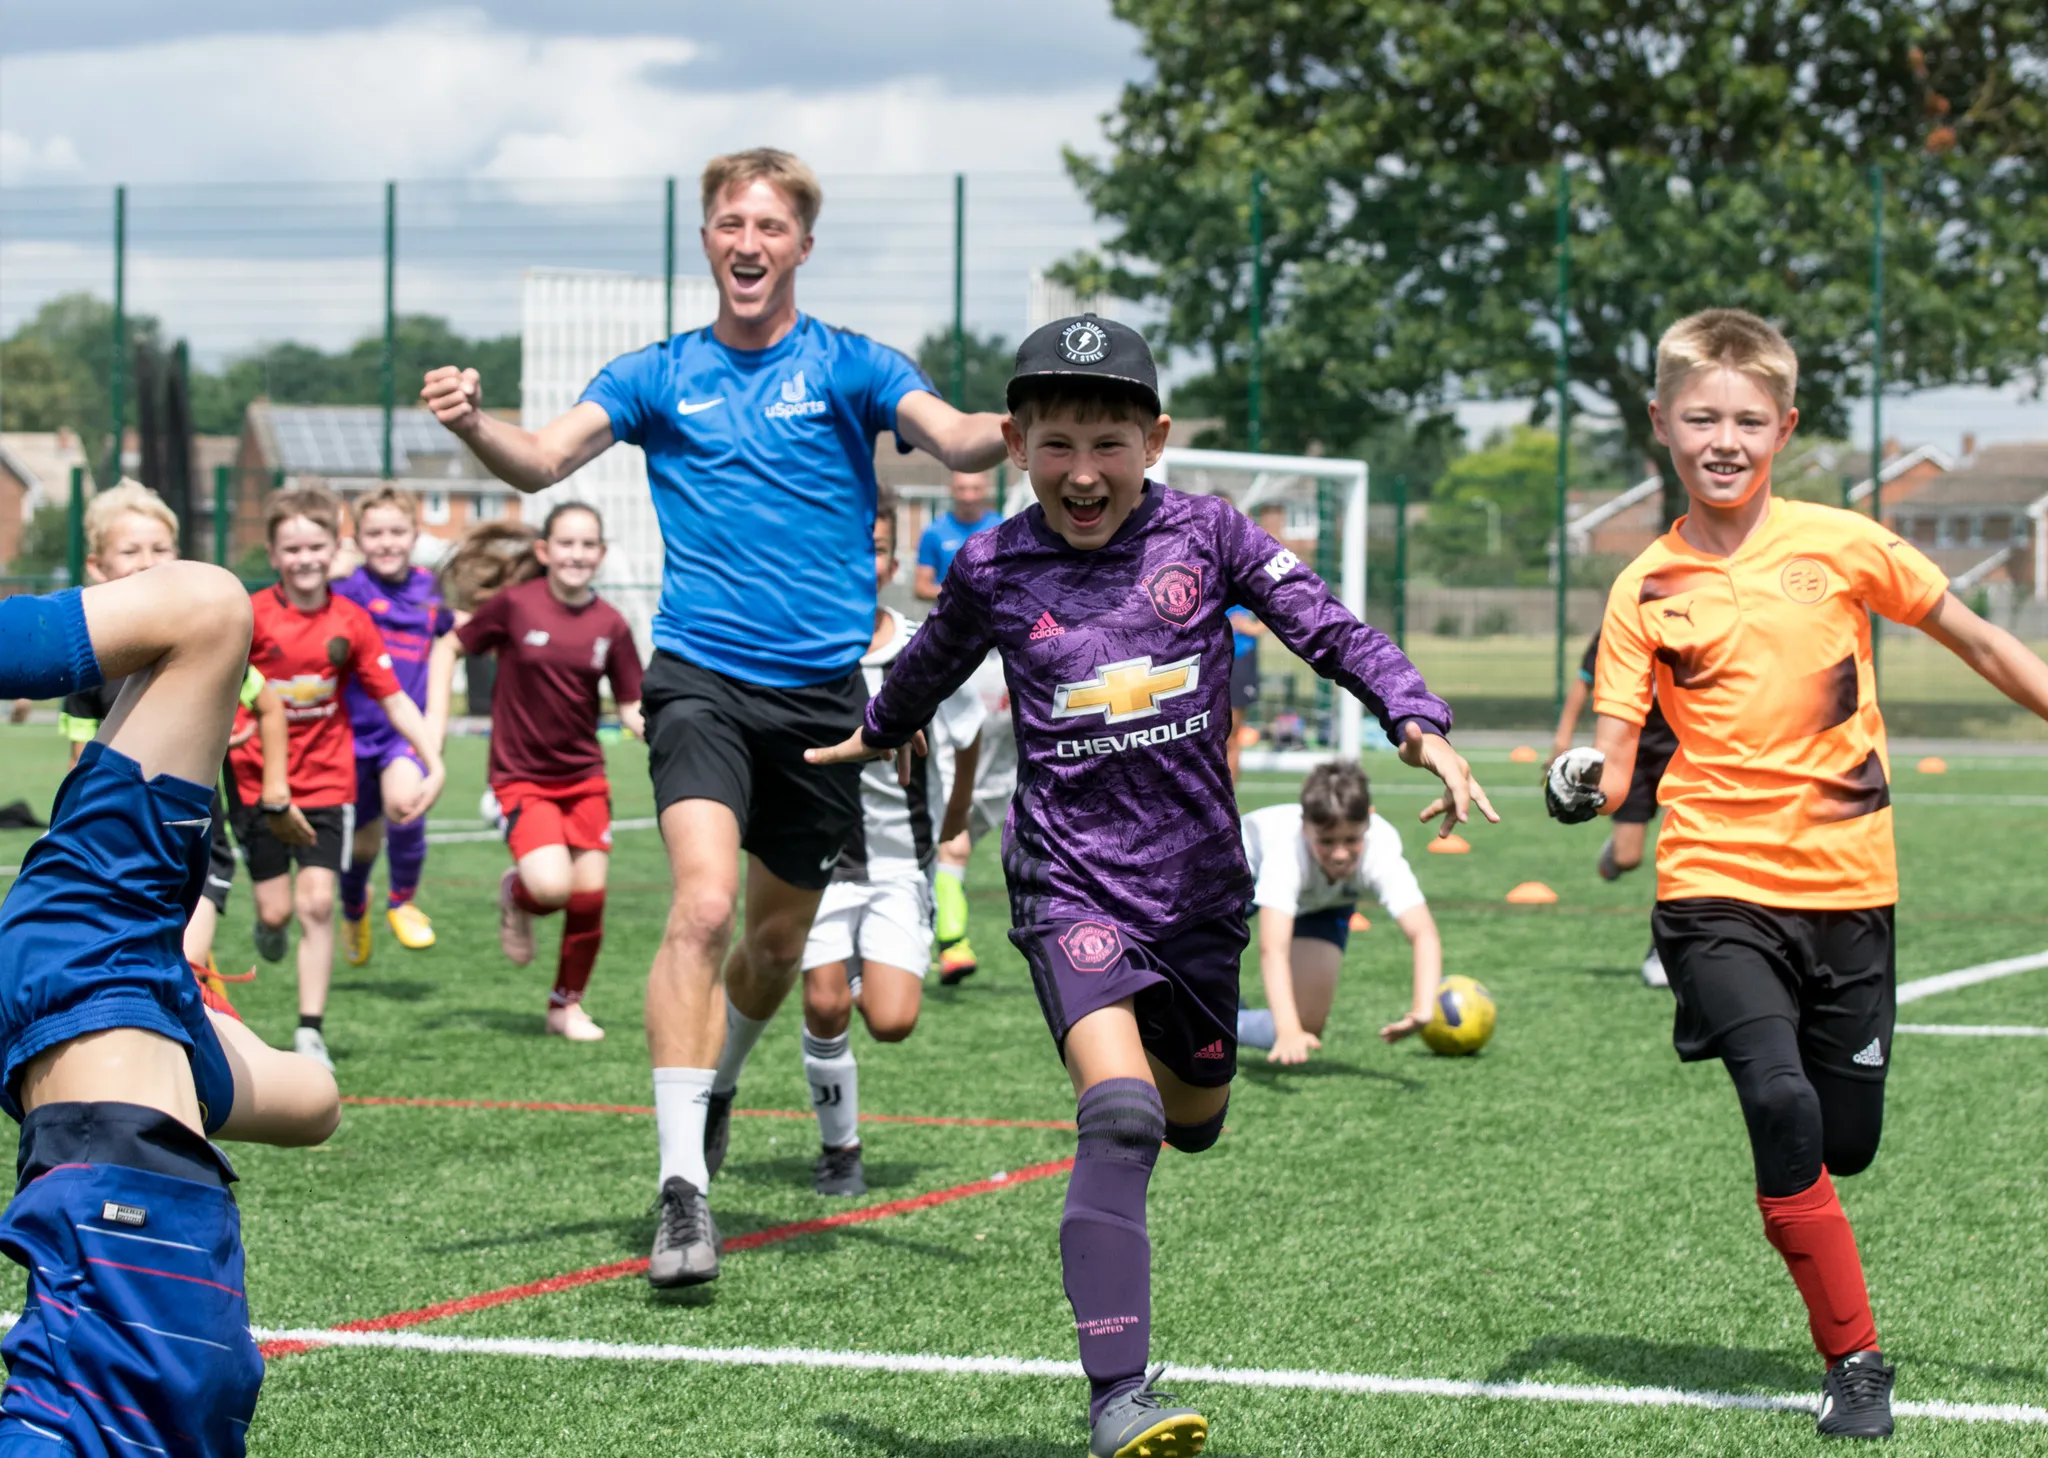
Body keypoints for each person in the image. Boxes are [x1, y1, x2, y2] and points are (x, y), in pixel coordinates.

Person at [810, 314, 1493, 1458]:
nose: (1083, 472)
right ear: (1018, 443)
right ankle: (1116, 1393)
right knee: (1118, 1116)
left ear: (1154, 439)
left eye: (1109, 443)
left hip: (1199, 898)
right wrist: (876, 728)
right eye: (1058, 443)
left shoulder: (1211, 535)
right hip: (1069, 883)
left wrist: (1412, 717)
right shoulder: (989, 564)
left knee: (1191, 1122)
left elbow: (1325, 626)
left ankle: (1193, 1088)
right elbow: (930, 662)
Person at [421, 147, 1006, 1287]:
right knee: (698, 905)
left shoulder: (852, 366)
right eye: (729, 223)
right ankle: (682, 1191)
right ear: (706, 240)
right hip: (698, 681)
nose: (748, 243)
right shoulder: (655, 375)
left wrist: (1046, 410)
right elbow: (540, 462)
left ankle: (724, 1073)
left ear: (799, 244)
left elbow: (962, 435)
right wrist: (472, 425)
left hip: (827, 700)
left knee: (776, 943)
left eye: (770, 227)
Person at [1545, 307, 2048, 1441]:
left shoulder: (1844, 543)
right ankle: (1853, 1362)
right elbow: (1617, 751)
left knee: (1840, 1142)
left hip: (1849, 887)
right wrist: (1578, 777)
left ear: (1783, 425)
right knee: (1775, 1104)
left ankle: (1814, 1195)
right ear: (1661, 423)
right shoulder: (1642, 588)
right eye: (1699, 418)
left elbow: (1975, 639)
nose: (1722, 438)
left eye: (1745, 419)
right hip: (1712, 887)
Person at [0, 567, 340, 1455]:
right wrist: (201, 1003)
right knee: (212, 608)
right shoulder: (166, 1019)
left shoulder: (140, 984)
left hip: (111, 1120)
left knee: (211, 608)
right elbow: (314, 1104)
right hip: (115, 1042)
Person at [720, 498, 983, 1196]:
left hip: (902, 864)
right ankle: (842, 1150)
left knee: (892, 1023)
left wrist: (956, 813)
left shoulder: (922, 648)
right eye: (843, 544)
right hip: (821, 864)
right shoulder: (794, 653)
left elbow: (970, 728)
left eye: (872, 547)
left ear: (891, 561)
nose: (858, 560)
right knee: (827, 1006)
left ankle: (863, 973)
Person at [56, 482, 311, 987]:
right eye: (130, 551)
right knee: (144, 974)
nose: (147, 561)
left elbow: (268, 706)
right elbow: (80, 762)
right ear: (96, 567)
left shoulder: (202, 643)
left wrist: (275, 789)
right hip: (119, 842)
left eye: (160, 549)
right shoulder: (88, 669)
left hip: (193, 835)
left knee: (186, 966)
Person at [229, 486, 447, 1070]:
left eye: (316, 546)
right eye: (291, 547)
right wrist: (230, 728)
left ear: (334, 550)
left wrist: (434, 757)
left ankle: (309, 1031)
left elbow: (396, 699)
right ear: (273, 555)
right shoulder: (248, 615)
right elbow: (216, 684)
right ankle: (268, 928)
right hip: (256, 781)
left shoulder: (351, 621)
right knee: (275, 913)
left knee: (317, 903)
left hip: (329, 780)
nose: (305, 558)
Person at [446, 506, 644, 1041]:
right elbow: (452, 645)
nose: (577, 554)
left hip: (585, 777)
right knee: (551, 887)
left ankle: (565, 1006)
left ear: (600, 554)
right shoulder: (514, 605)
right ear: (545, 551)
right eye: (567, 543)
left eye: (588, 545)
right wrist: (430, 726)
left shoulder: (612, 625)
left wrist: (666, 732)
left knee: (590, 895)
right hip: (521, 776)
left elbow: (630, 706)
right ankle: (517, 893)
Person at [1236, 760, 1442, 1064]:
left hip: (1322, 903)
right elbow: (1272, 949)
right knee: (1189, 971)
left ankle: (1225, 1019)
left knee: (1308, 1025)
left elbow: (1423, 934)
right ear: (1305, 826)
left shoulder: (1381, 849)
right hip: (1235, 882)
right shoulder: (1286, 853)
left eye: (1351, 840)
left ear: (1369, 821)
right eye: (1327, 842)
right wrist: (1286, 1028)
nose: (1341, 854)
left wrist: (1424, 1008)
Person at [333, 485, 460, 964]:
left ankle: (402, 901)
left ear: (415, 535)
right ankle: (353, 906)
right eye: (375, 533)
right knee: (361, 843)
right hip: (350, 735)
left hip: (402, 735)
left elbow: (455, 634)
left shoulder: (432, 591)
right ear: (358, 539)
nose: (387, 543)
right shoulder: (347, 589)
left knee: (405, 803)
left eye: (397, 532)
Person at [1548, 627, 1679, 985]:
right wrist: (1563, 737)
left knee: (1677, 854)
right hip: (1631, 753)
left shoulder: (1695, 615)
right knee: (1628, 858)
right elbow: (1584, 680)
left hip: (1681, 749)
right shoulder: (1621, 622)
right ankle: (1616, 853)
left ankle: (1660, 950)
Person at [914, 469, 999, 602]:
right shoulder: (933, 532)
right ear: (951, 489)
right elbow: (921, 587)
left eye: (975, 489)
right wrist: (961, 592)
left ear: (986, 490)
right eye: (961, 489)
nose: (968, 497)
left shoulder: (1003, 528)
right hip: (949, 619)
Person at [1224, 604, 1265, 783]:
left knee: (1229, 737)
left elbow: (1276, 602)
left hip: (1239, 660)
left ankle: (1226, 805)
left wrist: (1256, 628)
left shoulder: (1242, 578)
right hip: (1207, 658)